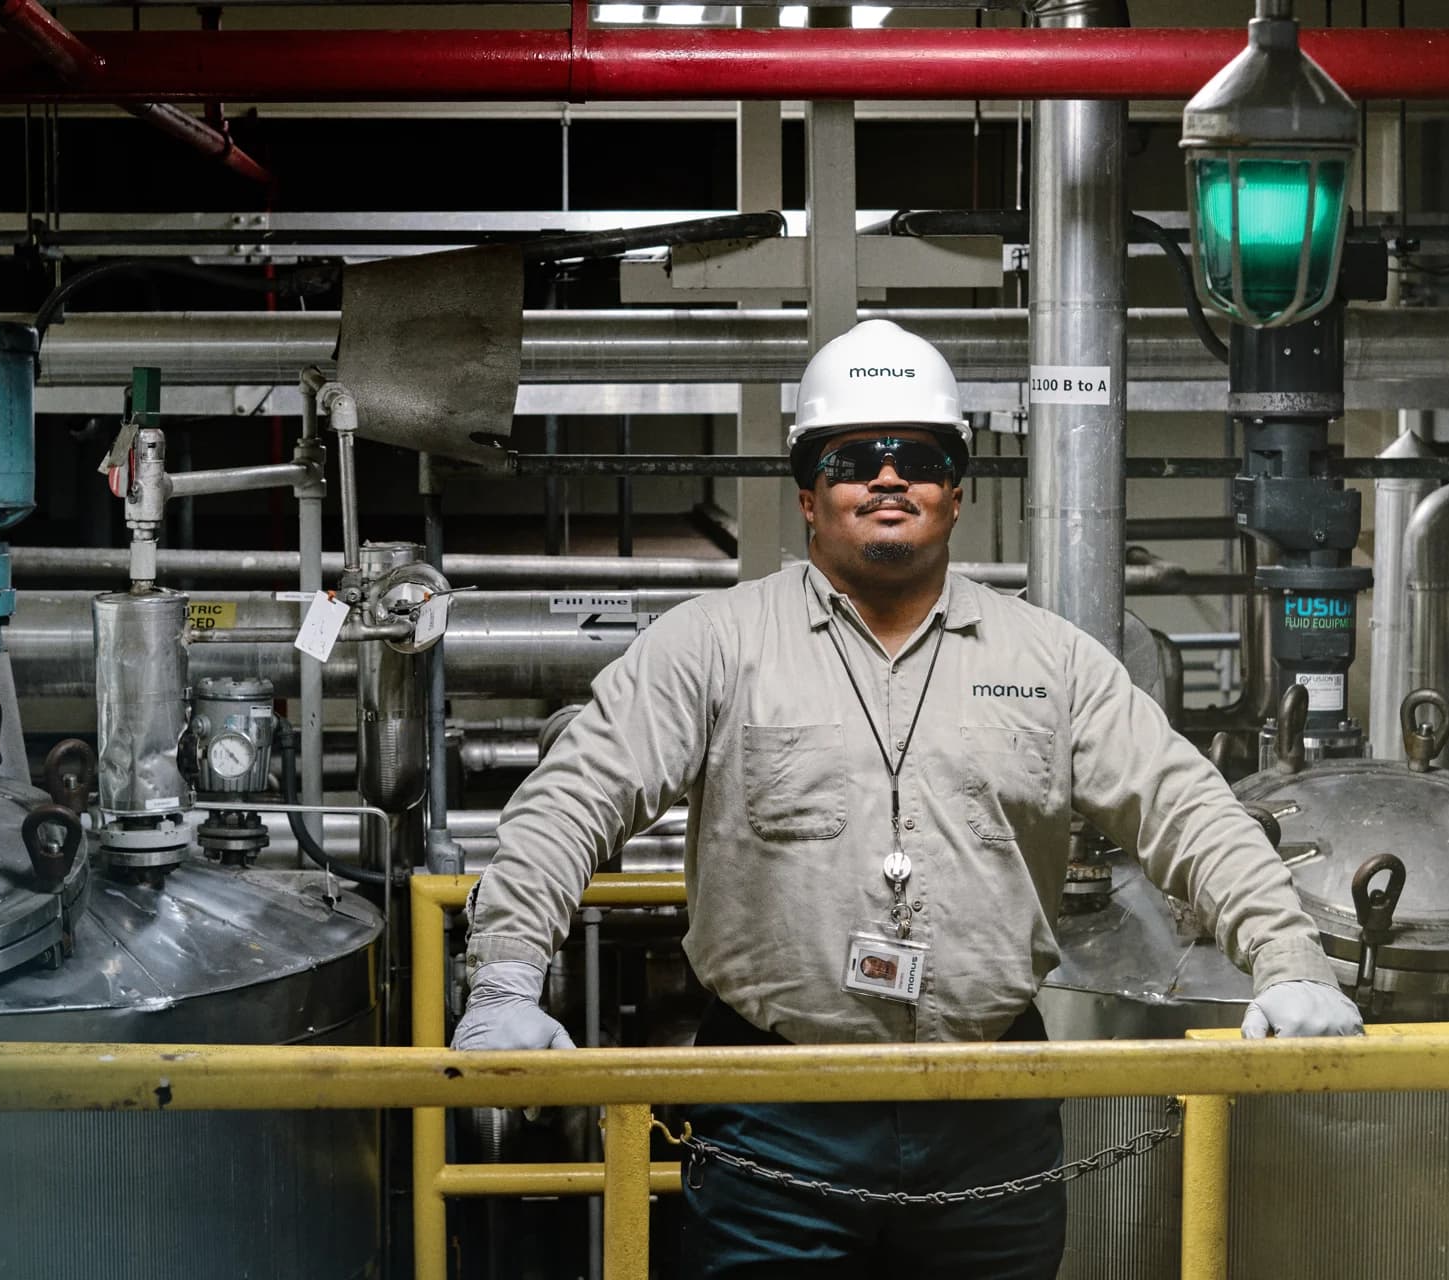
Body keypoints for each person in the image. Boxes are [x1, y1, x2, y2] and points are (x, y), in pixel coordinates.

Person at [453, 318, 1363, 1277]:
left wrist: (1290, 958)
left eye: (919, 459)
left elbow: (1187, 808)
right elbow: (573, 799)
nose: (888, 478)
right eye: (854, 460)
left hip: (990, 1103)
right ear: (809, 496)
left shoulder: (1048, 661)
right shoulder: (715, 645)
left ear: (956, 493)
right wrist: (507, 977)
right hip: (775, 1105)